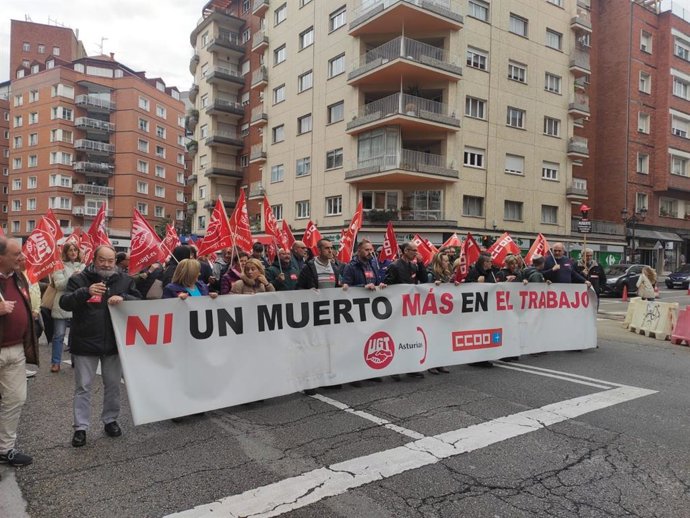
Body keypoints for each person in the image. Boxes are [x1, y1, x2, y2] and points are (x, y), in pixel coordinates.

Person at [59, 245, 142, 448]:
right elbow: (64, 302)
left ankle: (110, 420)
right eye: (102, 260)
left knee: (113, 385)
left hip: (114, 343)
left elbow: (139, 300)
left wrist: (124, 298)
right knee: (83, 387)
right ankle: (80, 428)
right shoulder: (79, 279)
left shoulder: (125, 279)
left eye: (110, 260)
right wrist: (84, 292)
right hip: (86, 342)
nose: (106, 264)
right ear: (93, 259)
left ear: (115, 261)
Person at [0, 238, 37, 467]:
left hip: (15, 350)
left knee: (15, 399)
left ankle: (5, 449)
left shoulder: (19, 277)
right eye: (16, 254)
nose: (21, 258)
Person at [384, 242, 427, 379]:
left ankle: (411, 367)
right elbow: (389, 285)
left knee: (410, 337)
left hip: (411, 307)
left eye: (417, 250)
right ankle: (394, 369)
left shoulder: (414, 265)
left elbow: (424, 280)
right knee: (397, 337)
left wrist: (420, 264)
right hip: (397, 307)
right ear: (405, 251)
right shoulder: (394, 266)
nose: (416, 253)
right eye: (413, 250)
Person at [49, 243, 85, 372]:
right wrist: (72, 277)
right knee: (59, 335)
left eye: (75, 250)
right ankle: (56, 362)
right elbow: (59, 286)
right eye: (70, 250)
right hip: (62, 305)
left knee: (77, 335)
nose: (73, 252)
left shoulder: (83, 266)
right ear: (65, 252)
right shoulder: (59, 266)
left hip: (78, 304)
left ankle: (75, 361)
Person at [426, 251, 453, 375]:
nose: (448, 263)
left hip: (444, 312)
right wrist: (433, 286)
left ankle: (440, 362)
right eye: (445, 260)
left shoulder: (447, 275)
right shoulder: (431, 275)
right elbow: (424, 291)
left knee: (442, 338)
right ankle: (431, 363)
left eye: (448, 260)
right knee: (433, 338)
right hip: (433, 312)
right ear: (439, 262)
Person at [17, 255, 40, 378]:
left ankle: (22, 368)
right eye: (22, 259)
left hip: (32, 313)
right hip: (23, 313)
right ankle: (20, 370)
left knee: (28, 341)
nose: (25, 261)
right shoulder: (16, 276)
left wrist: (36, 309)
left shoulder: (31, 273)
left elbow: (36, 292)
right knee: (21, 342)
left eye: (26, 259)